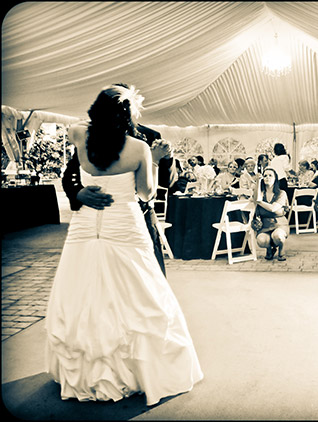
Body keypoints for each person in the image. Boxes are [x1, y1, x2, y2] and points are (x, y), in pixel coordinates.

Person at [47, 84, 203, 406]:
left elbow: (81, 155)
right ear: (129, 112)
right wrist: (155, 161)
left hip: (88, 225)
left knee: (81, 290)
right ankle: (140, 369)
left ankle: (86, 368)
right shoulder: (140, 147)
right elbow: (146, 193)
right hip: (123, 222)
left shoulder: (78, 133)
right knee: (140, 293)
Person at [61, 94, 177, 277]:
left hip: (140, 217)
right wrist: (77, 192)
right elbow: (69, 175)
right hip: (96, 218)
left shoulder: (150, 137)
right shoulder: (89, 138)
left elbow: (166, 182)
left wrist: (168, 158)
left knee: (147, 274)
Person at [252, 167, 289, 261]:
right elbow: (255, 197)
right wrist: (257, 182)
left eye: (270, 175)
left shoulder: (281, 193)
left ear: (275, 178)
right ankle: (269, 249)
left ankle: (281, 249)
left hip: (279, 224)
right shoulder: (261, 194)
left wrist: (259, 202)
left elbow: (273, 208)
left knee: (278, 237)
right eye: (265, 176)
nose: (267, 177)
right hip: (265, 225)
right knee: (261, 241)